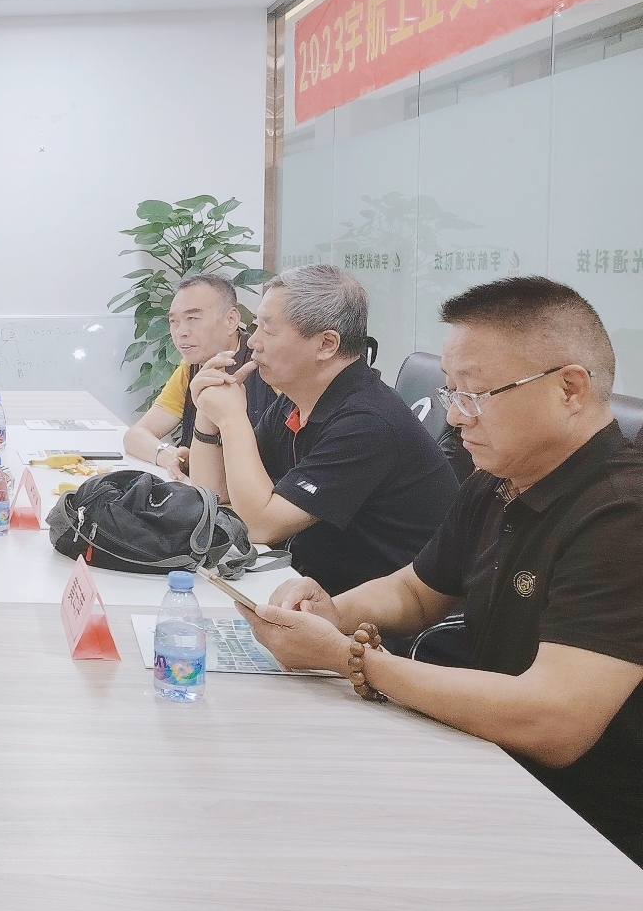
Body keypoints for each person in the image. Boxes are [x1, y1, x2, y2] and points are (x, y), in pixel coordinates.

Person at [238, 277, 643, 865]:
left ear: (570, 388)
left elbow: (554, 720)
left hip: (586, 830)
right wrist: (330, 612)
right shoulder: (499, 480)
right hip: (489, 763)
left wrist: (353, 659)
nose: (454, 417)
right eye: (451, 392)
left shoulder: (622, 515)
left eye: (475, 395)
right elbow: (416, 591)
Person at [186, 263, 458, 595]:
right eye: (255, 325)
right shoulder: (296, 401)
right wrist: (207, 414)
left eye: (268, 330)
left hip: (368, 611)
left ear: (326, 344)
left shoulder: (367, 423)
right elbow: (215, 496)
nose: (252, 342)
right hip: (305, 585)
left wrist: (232, 419)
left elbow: (261, 525)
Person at [122, 273, 274, 479]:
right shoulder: (191, 368)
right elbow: (136, 435)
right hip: (202, 489)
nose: (180, 332)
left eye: (192, 319)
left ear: (231, 320)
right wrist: (169, 455)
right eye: (174, 321)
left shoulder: (267, 367)